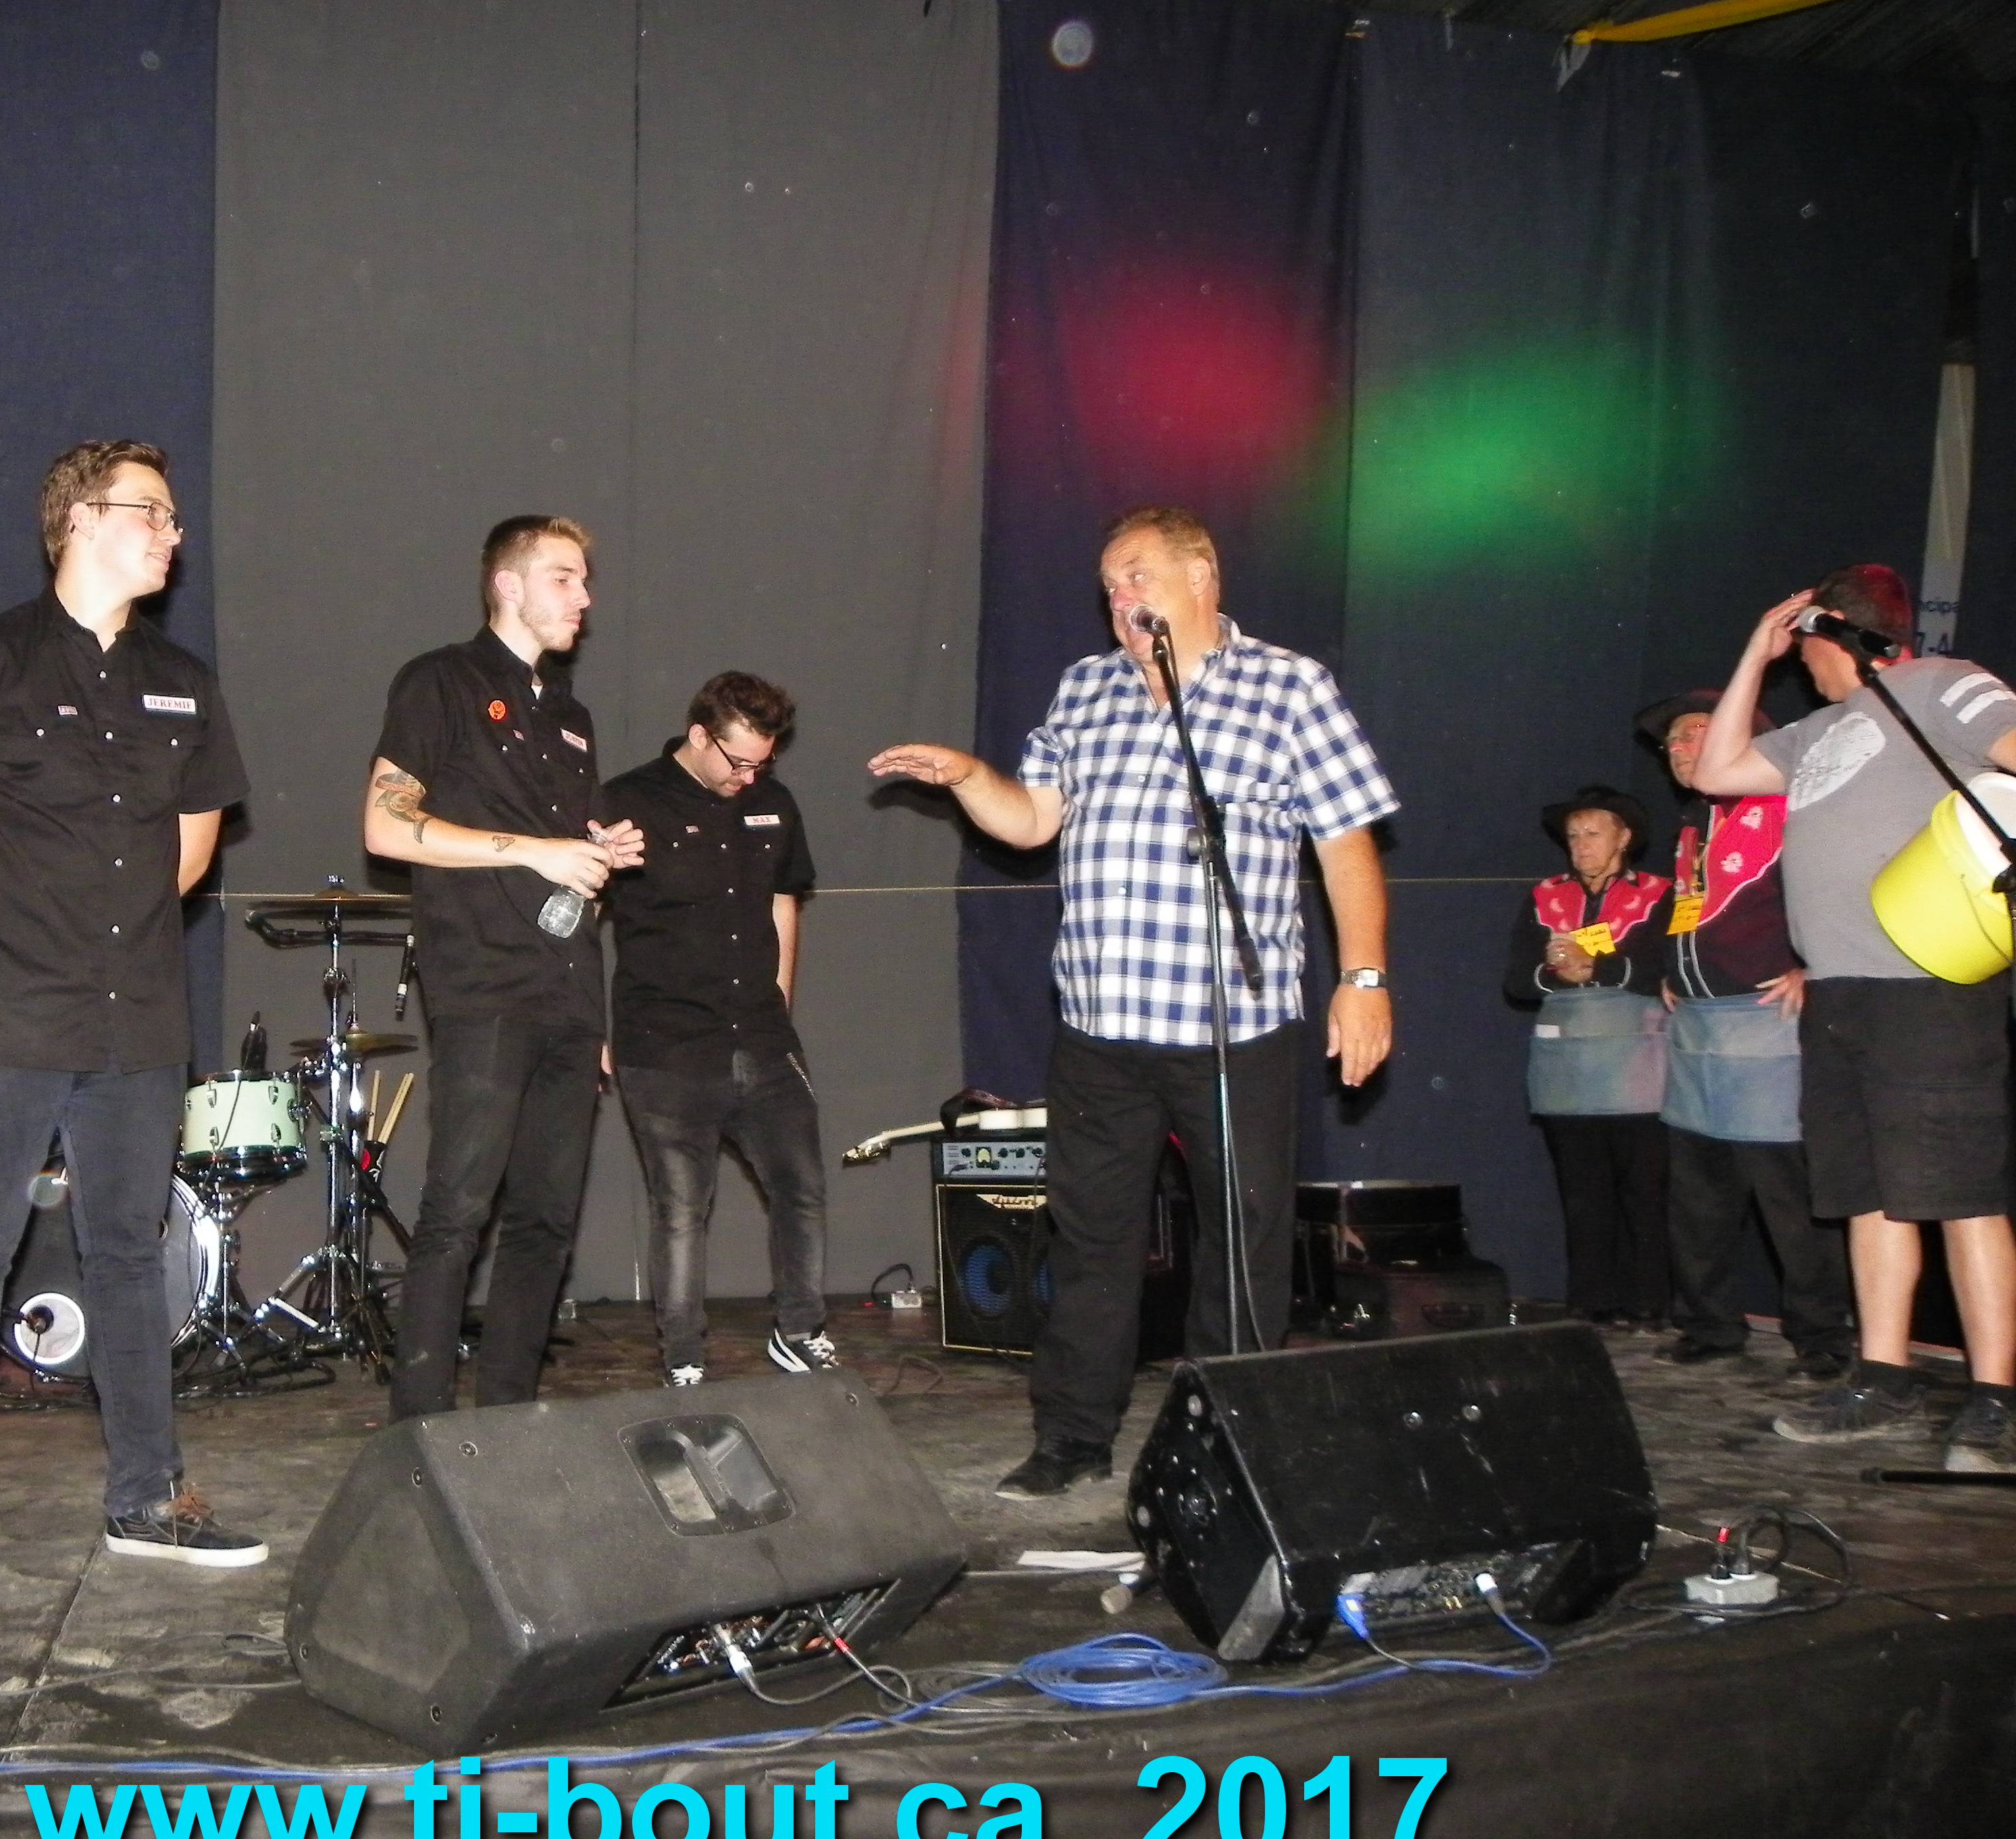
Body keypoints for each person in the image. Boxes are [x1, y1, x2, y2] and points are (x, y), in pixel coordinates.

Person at [869, 505, 1397, 1499]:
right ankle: (1072, 1437)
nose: (1120, 597)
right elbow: (1031, 821)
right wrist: (970, 778)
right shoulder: (1086, 688)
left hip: (1232, 1028)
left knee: (1240, 1246)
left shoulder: (1287, 688)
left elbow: (1345, 844)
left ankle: (1227, 1442)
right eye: (1110, 583)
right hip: (1101, 1030)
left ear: (1202, 576)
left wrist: (1362, 979)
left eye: (1138, 575)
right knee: (1090, 1244)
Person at [0, 438, 264, 1591]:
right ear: (81, 519)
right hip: (5, 1018)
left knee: (129, 1255)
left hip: (137, 1019)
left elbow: (193, 845)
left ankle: (150, 1498)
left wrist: (104, 942)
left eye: (174, 518)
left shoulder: (183, 681)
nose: (173, 533)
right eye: (152, 512)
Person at [1690, 565, 2016, 1472]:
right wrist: (1755, 653)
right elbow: (1716, 771)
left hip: (1929, 985)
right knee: (1866, 1195)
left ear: (1832, 627)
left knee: (1959, 1194)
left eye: (1803, 641)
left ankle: (1997, 1399)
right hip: (1838, 992)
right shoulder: (1816, 732)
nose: (1798, 659)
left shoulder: (1943, 683)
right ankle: (1883, 1377)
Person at [362, 517, 645, 1419]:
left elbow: (566, 869)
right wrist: (533, 850)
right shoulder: (440, 681)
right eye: (564, 577)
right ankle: (418, 1430)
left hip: (570, 992)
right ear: (508, 585)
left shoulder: (571, 718)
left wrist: (597, 855)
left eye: (586, 580)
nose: (584, 597)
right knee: (457, 1213)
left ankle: (513, 1423)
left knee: (546, 1222)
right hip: (483, 986)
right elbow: (385, 825)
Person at [599, 672, 829, 1387]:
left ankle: (799, 1331)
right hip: (664, 1043)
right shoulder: (627, 803)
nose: (748, 777)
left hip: (760, 1036)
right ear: (699, 736)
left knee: (802, 1188)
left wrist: (780, 1005)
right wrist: (590, 1025)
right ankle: (684, 1357)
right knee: (680, 1211)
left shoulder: (773, 804)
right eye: (737, 762)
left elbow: (784, 902)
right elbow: (580, 910)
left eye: (763, 763)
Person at [1636, 691, 1853, 1376]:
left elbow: (1842, 885)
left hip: (1766, 1021)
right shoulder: (1694, 824)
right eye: (1674, 741)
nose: (1681, 749)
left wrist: (1813, 967)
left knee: (1788, 1194)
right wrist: (1673, 969)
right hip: (1698, 1025)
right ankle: (1708, 1323)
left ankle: (1822, 1334)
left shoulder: (1787, 806)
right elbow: (1692, 912)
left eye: (1697, 734)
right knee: (1697, 1195)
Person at [1502, 787, 1672, 1328]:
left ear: (1625, 837)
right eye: (1573, 836)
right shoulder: (1544, 896)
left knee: (1645, 1193)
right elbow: (1516, 981)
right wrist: (1557, 972)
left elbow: (1662, 967)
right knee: (1582, 1192)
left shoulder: (1661, 894)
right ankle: (1591, 1302)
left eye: (1592, 833)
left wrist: (1596, 968)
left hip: (1637, 1063)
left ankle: (1648, 1302)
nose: (1580, 845)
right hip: (1567, 1069)